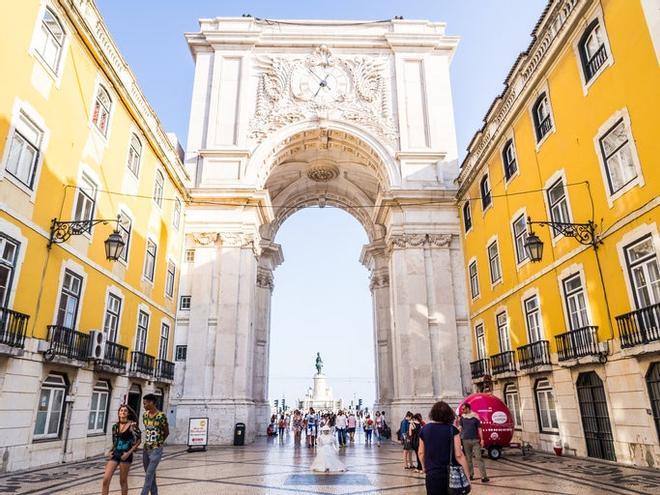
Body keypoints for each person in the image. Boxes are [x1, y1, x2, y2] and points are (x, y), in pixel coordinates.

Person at [418, 401, 470, 495]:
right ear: (448, 414)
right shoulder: (452, 429)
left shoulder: (424, 429)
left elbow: (421, 453)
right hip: (451, 475)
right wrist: (467, 476)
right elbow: (459, 455)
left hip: (432, 474)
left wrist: (424, 467)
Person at [102, 404, 141, 495]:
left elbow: (138, 441)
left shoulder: (132, 425)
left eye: (125, 411)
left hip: (126, 455)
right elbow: (115, 442)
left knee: (122, 481)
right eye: (121, 411)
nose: (123, 412)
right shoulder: (115, 427)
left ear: (128, 413)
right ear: (118, 413)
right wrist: (109, 452)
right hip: (115, 454)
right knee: (105, 480)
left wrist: (128, 453)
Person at [141, 393, 169, 495]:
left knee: (149, 475)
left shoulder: (161, 416)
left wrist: (159, 443)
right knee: (151, 474)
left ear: (151, 403)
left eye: (145, 404)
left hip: (156, 449)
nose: (144, 406)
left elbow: (166, 431)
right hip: (146, 449)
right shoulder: (145, 415)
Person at [458, 403, 489, 482]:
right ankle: (470, 475)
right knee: (468, 459)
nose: (462, 410)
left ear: (468, 408)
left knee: (479, 458)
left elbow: (479, 429)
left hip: (475, 440)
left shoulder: (475, 417)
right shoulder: (462, 418)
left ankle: (484, 477)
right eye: (462, 409)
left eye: (464, 409)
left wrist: (482, 439)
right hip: (465, 440)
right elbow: (460, 428)